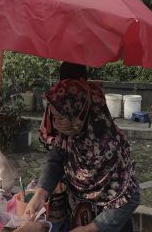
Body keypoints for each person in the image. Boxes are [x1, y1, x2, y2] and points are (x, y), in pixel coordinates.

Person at [25, 62, 140, 232]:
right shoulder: (70, 135)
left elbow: (131, 197)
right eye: (53, 116)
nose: (55, 124)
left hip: (107, 224)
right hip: (80, 214)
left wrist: (93, 228)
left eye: (60, 118)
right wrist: (41, 193)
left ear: (79, 113)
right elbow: (56, 160)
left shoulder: (109, 148)